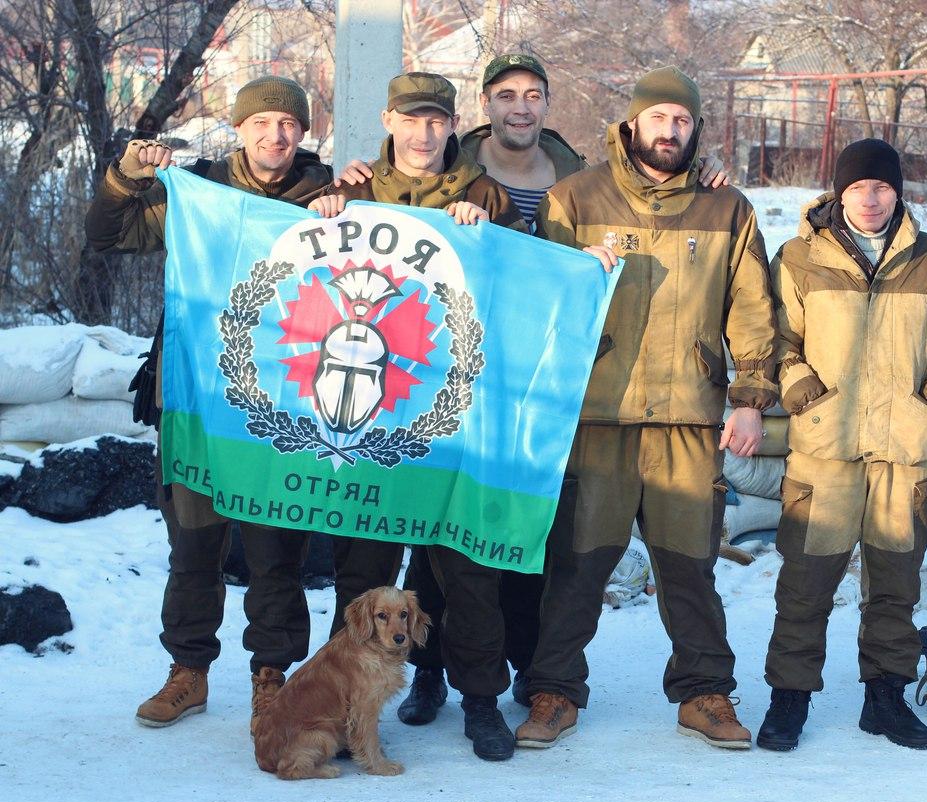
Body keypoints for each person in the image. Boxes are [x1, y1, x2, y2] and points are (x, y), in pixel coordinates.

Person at [333, 53, 731, 728]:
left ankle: (514, 677)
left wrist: (702, 174)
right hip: (412, 379)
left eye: (534, 95)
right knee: (422, 552)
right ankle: (422, 676)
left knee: (502, 550)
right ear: (484, 106)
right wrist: (335, 191)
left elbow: (566, 256)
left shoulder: (573, 174)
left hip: (511, 381)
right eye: (507, 95)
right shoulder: (454, 173)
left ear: (546, 104)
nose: (521, 106)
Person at [511, 66, 777, 751]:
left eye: (683, 120)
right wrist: (579, 272)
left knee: (689, 567)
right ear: (632, 125)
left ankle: (705, 691)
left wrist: (749, 398)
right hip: (596, 414)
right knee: (577, 563)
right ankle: (553, 689)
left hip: (687, 416)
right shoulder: (573, 198)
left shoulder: (728, 208)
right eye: (659, 118)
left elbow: (752, 311)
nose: (671, 130)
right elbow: (539, 300)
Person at [83, 76, 331, 731]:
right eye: (261, 122)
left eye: (287, 122)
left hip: (282, 404)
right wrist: (128, 175)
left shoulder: (328, 196)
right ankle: (187, 671)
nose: (275, 134)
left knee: (277, 550)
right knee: (194, 544)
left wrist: (356, 197)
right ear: (240, 127)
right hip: (194, 392)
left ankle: (272, 677)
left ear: (303, 132)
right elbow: (111, 232)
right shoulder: (199, 192)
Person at [313, 71, 528, 761]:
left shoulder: (482, 190)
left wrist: (493, 231)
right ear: (388, 119)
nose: (423, 133)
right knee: (365, 569)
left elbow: (529, 269)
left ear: (451, 125)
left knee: (465, 571)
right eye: (411, 119)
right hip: (372, 418)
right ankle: (346, 700)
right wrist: (323, 208)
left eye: (436, 120)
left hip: (458, 415)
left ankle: (478, 699)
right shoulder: (354, 191)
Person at [755, 139, 927, 752]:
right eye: (858, 187)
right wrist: (808, 397)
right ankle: (790, 700)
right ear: (840, 191)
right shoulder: (801, 259)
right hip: (825, 452)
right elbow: (775, 337)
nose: (871, 197)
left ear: (898, 191)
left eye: (881, 186)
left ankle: (884, 699)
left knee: (895, 585)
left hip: (904, 451)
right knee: (805, 583)